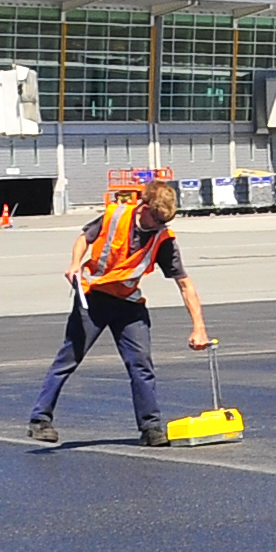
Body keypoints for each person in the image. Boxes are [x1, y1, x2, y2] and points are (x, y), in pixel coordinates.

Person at [27, 174, 212, 445]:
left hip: (128, 302)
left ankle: (150, 428)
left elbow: (184, 283)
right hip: (94, 297)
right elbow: (84, 238)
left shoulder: (164, 239)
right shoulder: (115, 216)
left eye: (166, 222)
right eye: (158, 220)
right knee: (69, 357)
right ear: (144, 208)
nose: (161, 226)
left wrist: (199, 328)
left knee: (141, 365)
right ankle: (40, 419)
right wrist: (75, 264)